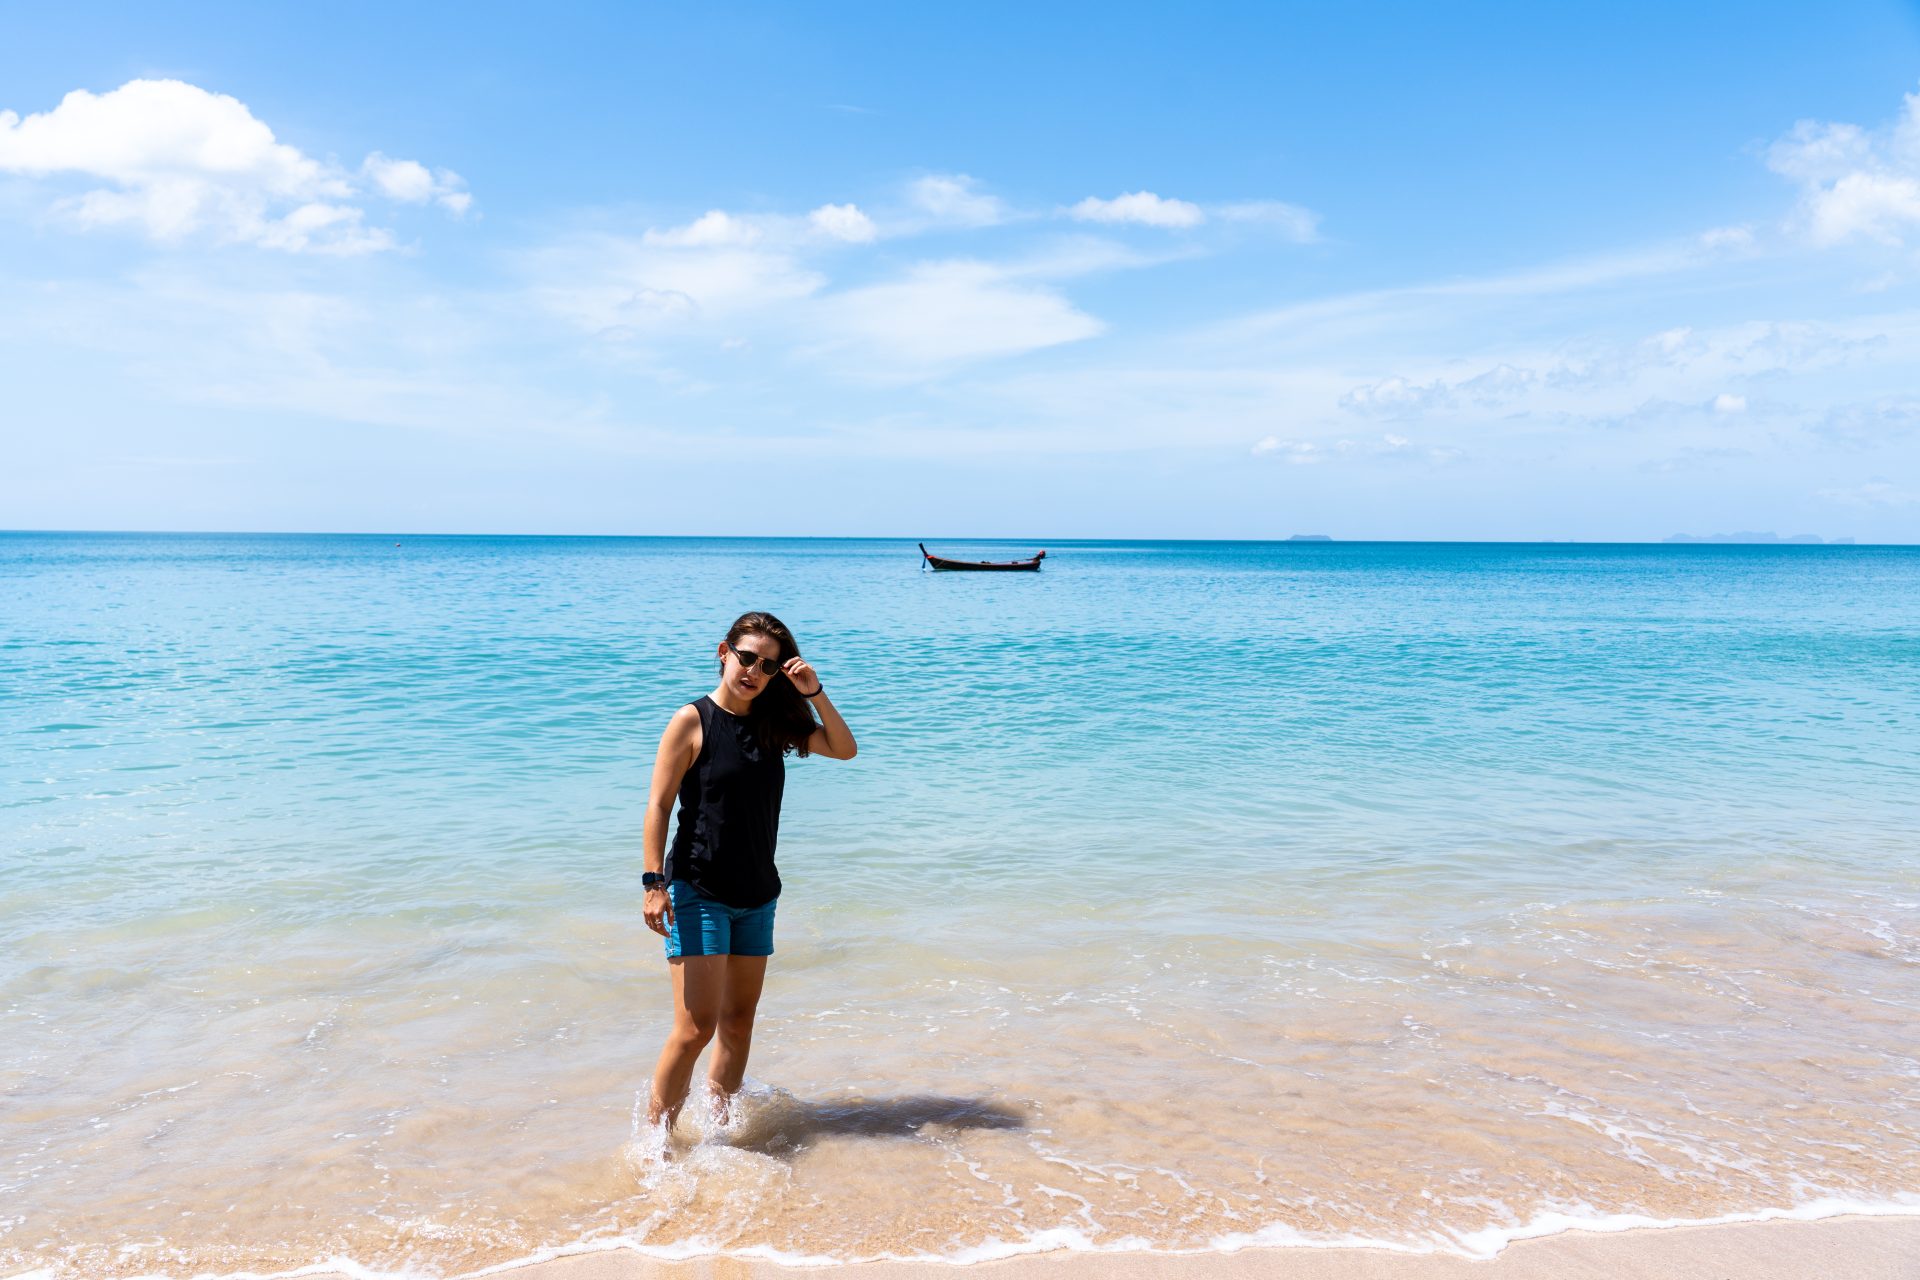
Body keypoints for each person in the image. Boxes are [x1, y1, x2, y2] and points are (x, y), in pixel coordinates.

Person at [641, 611, 857, 1131]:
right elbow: (658, 806)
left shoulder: (775, 722)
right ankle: (656, 1144)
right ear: (724, 652)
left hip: (758, 893)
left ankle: (720, 1130)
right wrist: (654, 883)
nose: (753, 671)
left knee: (737, 1024)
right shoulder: (691, 720)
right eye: (746, 658)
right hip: (699, 888)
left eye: (767, 665)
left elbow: (844, 749)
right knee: (695, 1030)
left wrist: (813, 692)